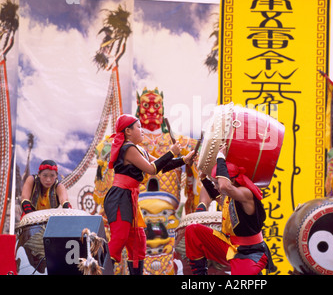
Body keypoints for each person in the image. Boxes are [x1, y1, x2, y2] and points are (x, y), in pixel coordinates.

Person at [103, 114, 194, 275]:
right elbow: (151, 170)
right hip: (119, 197)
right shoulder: (127, 148)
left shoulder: (139, 149)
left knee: (138, 241)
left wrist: (183, 160)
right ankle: (99, 271)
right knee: (119, 239)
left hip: (129, 198)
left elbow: (161, 166)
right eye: (138, 127)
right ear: (128, 131)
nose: (142, 130)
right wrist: (172, 152)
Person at [185, 144, 275, 275]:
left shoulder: (245, 193)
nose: (216, 187)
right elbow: (217, 196)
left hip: (250, 252)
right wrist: (204, 178)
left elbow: (224, 187)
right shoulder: (230, 195)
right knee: (193, 231)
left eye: (216, 183)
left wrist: (221, 158)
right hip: (230, 245)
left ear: (231, 181)